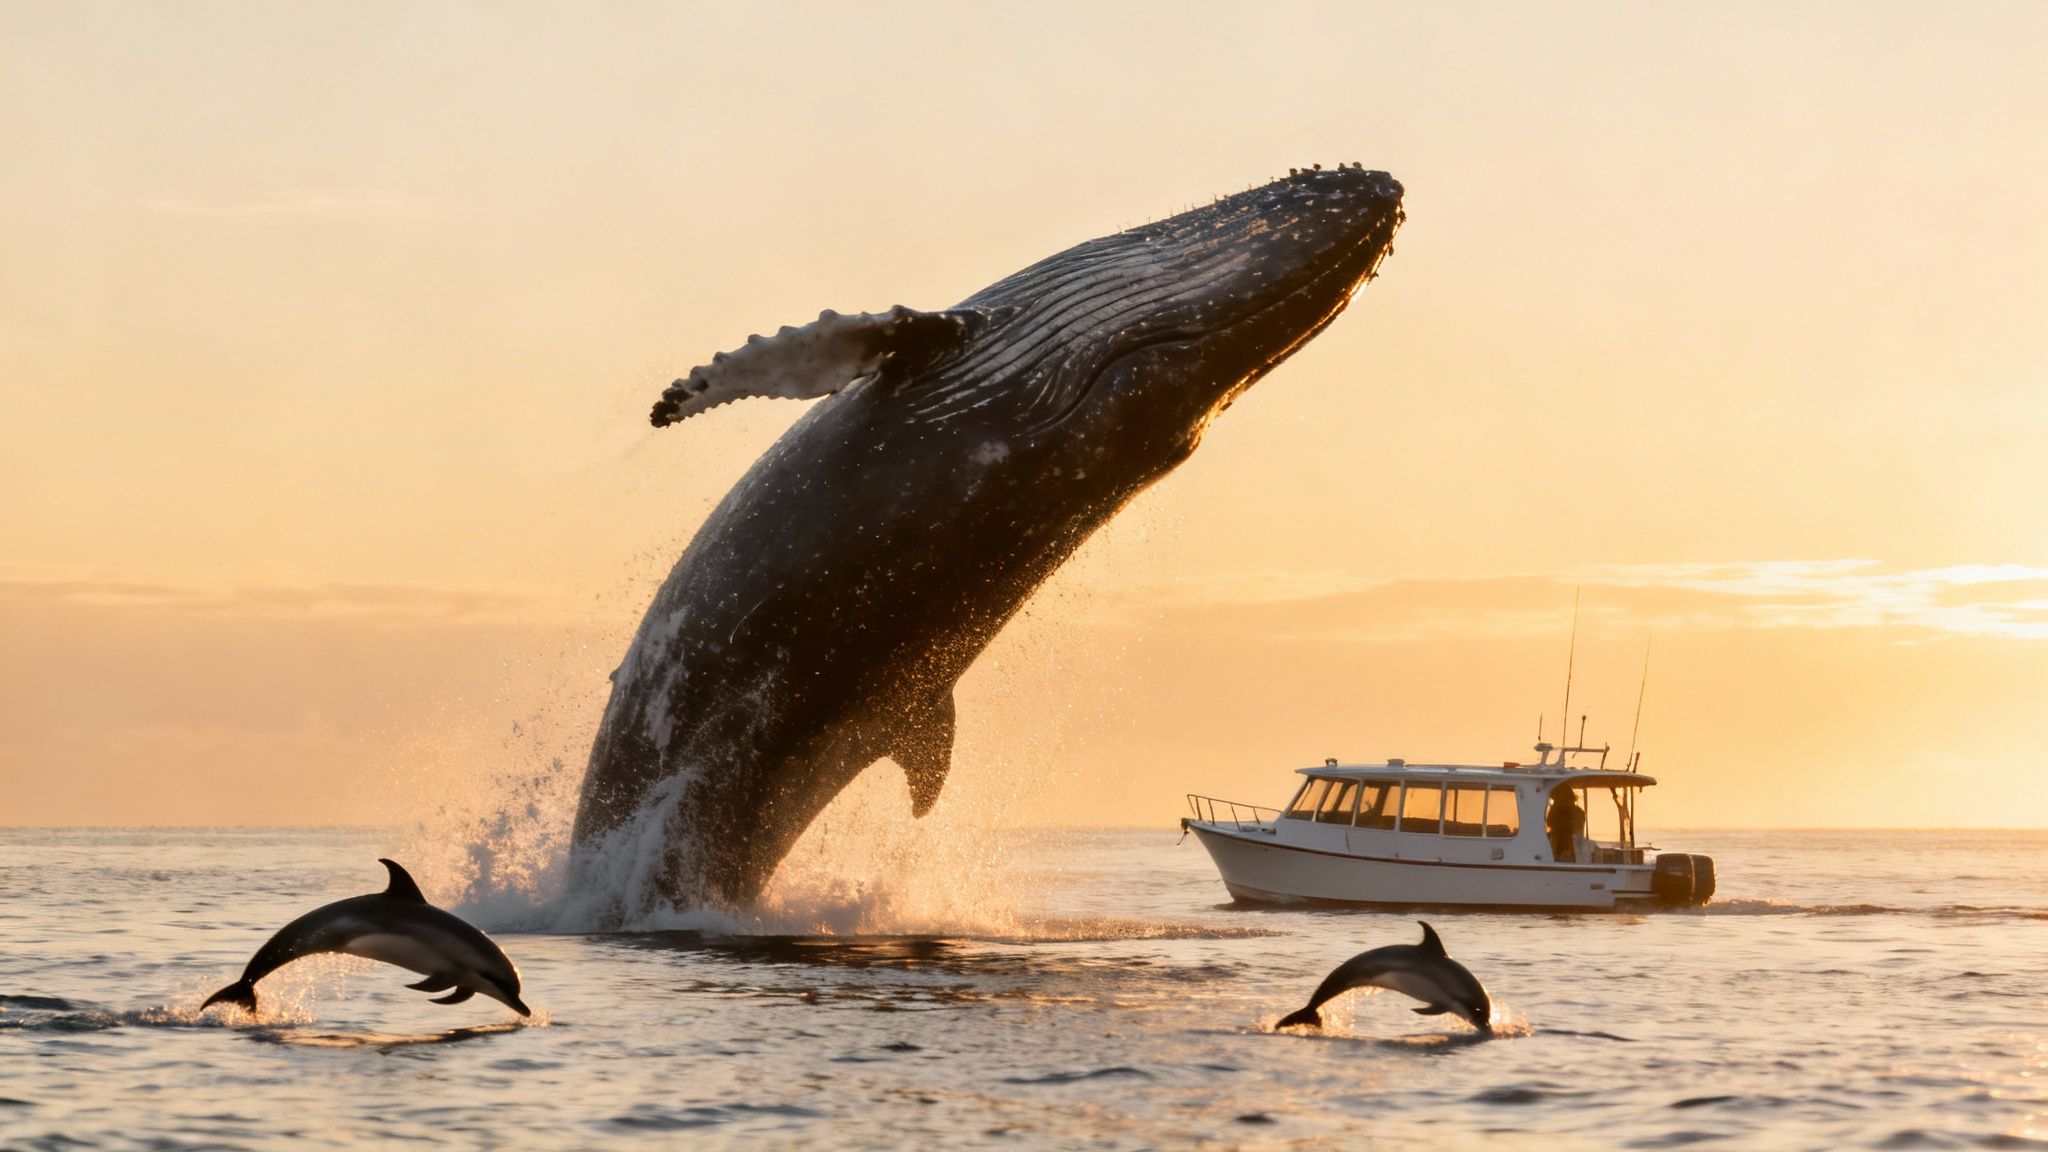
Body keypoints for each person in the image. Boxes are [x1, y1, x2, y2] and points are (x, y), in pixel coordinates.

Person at [1546, 785, 1584, 862]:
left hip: (1568, 844)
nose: (1556, 801)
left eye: (1557, 798)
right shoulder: (1556, 809)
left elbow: (1577, 829)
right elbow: (1549, 822)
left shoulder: (1577, 812)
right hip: (1560, 844)